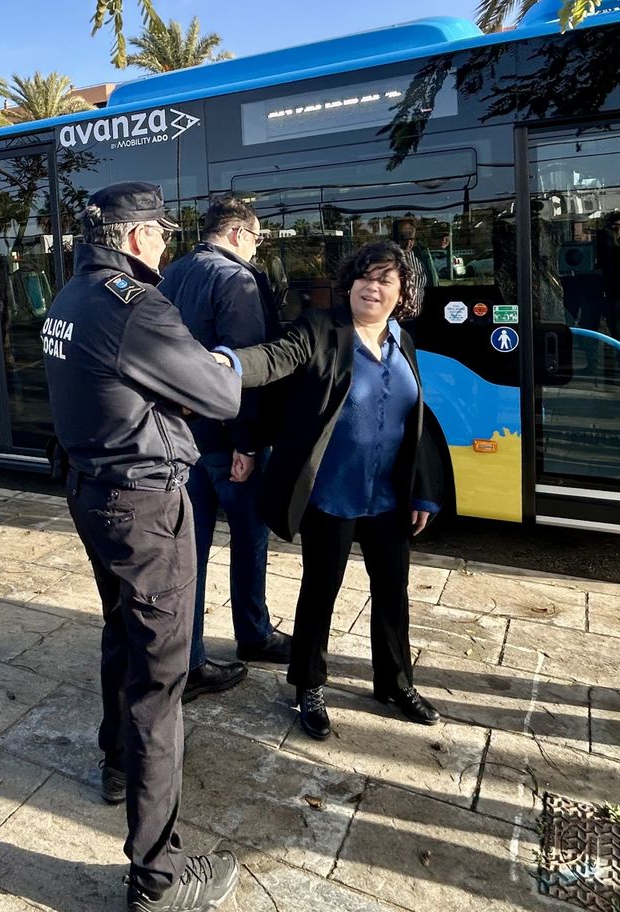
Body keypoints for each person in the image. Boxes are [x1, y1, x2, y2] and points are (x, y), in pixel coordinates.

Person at [42, 181, 243, 912]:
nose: (166, 242)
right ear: (133, 237)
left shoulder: (68, 299)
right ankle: (157, 878)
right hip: (147, 509)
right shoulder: (139, 306)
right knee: (161, 685)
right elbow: (221, 398)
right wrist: (217, 367)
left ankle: (117, 763)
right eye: (160, 230)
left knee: (121, 635)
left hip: (93, 496)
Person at [215, 239, 447, 740]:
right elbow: (275, 357)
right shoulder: (321, 330)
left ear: (402, 290)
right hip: (331, 493)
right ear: (350, 284)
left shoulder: (401, 341)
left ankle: (394, 681)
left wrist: (423, 492)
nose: (373, 286)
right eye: (365, 276)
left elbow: (417, 423)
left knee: (393, 592)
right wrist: (229, 363)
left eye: (386, 279)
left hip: (389, 496)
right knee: (321, 590)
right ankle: (309, 684)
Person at [159, 196, 292, 702]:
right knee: (249, 537)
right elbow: (243, 370)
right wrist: (247, 443)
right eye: (257, 240)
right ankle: (253, 634)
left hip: (181, 440)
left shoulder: (172, 273)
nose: (257, 249)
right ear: (238, 234)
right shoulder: (236, 278)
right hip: (226, 442)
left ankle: (188, 658)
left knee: (187, 554)